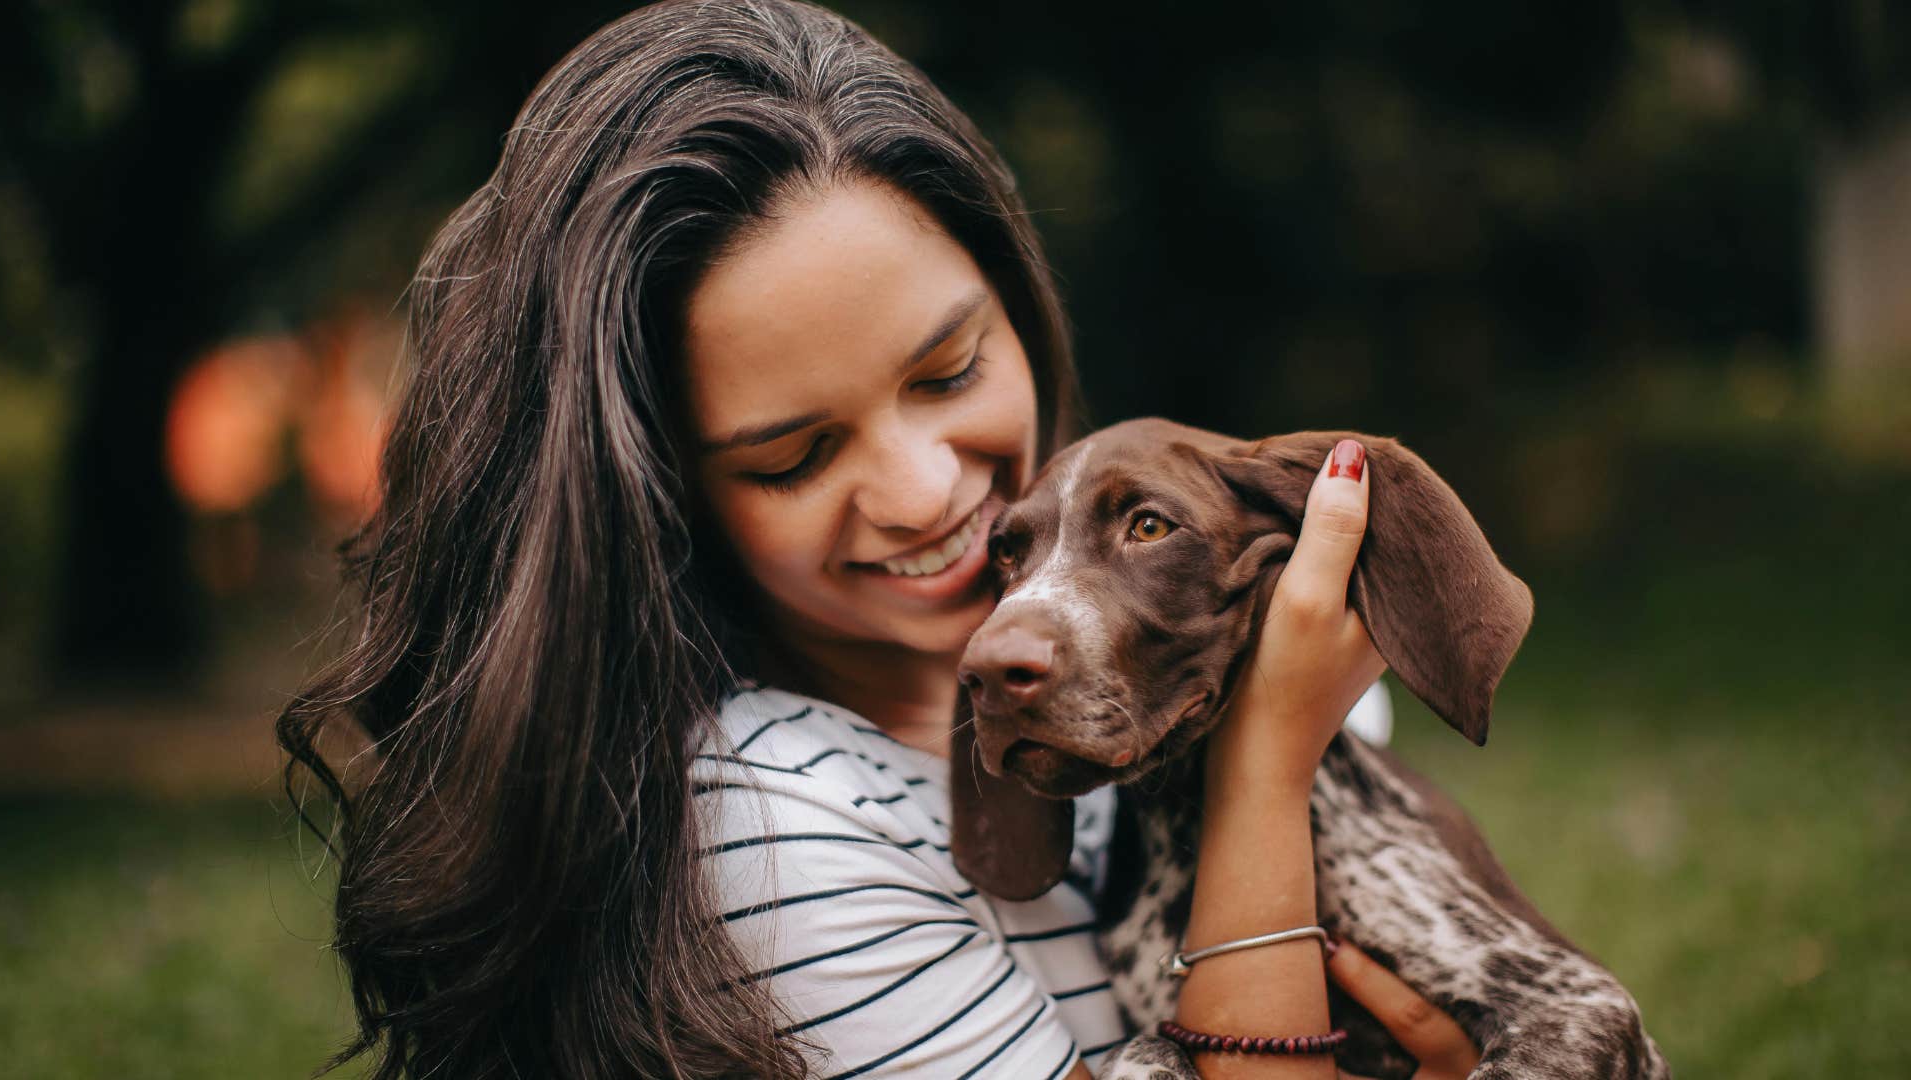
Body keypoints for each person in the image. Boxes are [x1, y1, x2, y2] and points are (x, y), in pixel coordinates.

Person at [279, 2, 1482, 1077]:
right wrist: (1267, 764)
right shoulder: (772, 830)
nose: (921, 495)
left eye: (950, 368)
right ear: (660, 498)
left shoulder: (1197, 641)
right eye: (793, 458)